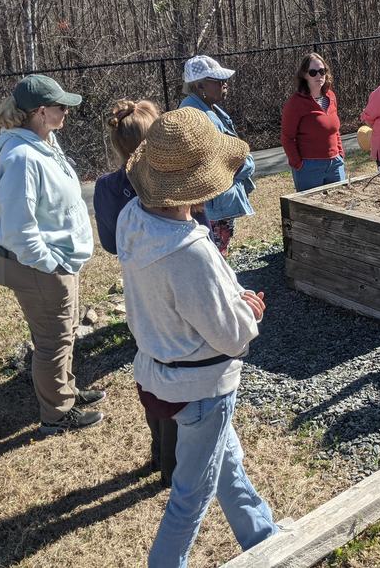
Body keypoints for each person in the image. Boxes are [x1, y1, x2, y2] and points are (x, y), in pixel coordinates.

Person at [117, 107, 279, 565]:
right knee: (191, 496)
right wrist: (248, 313)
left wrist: (231, 296)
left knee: (226, 464)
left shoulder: (133, 218)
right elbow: (231, 337)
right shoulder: (188, 252)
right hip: (201, 386)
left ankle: (263, 537)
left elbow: (186, 298)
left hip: (159, 370)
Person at [93, 98, 212, 487]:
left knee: (151, 363)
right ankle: (172, 465)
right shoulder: (176, 185)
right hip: (176, 287)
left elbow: (111, 242)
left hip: (138, 287)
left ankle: (160, 450)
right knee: (178, 370)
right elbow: (200, 229)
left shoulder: (108, 188)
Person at [0, 74, 103, 434]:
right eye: (60, 106)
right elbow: (18, 229)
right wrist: (51, 264)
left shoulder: (44, 142)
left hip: (60, 261)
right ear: (41, 112)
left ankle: (66, 390)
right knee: (53, 341)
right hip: (41, 268)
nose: (66, 111)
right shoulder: (22, 156)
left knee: (64, 333)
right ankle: (56, 415)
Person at [180, 55, 256, 256]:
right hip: (211, 205)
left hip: (217, 201)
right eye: (217, 80)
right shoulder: (197, 116)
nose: (225, 84)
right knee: (214, 256)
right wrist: (247, 164)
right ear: (199, 86)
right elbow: (221, 163)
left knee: (218, 252)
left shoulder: (207, 108)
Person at [280, 53, 346, 191]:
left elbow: (335, 131)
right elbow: (287, 138)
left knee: (339, 206)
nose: (319, 76)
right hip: (309, 168)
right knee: (311, 210)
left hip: (335, 164)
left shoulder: (331, 97)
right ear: (304, 75)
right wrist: (298, 164)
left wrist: (340, 154)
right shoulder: (295, 104)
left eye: (322, 71)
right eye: (313, 72)